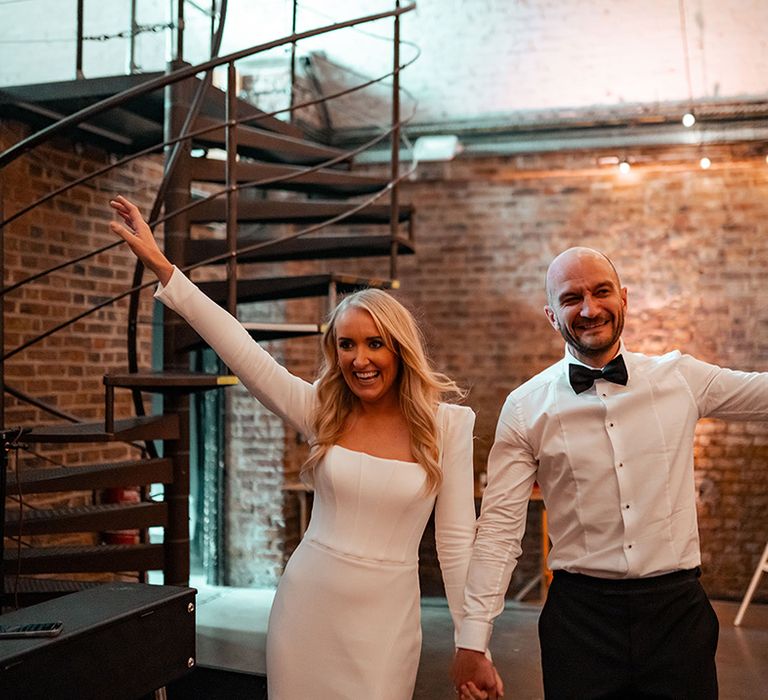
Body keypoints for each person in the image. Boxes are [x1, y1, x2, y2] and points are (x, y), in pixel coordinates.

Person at [109, 195, 494, 699]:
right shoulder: (322, 410)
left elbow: (457, 544)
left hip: (386, 622)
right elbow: (242, 349)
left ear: (400, 349)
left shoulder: (447, 426)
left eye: (375, 343)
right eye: (346, 344)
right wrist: (164, 269)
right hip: (307, 605)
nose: (360, 359)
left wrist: (474, 641)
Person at [451, 246, 768, 699]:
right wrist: (472, 639)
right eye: (571, 298)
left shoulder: (679, 378)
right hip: (580, 624)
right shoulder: (525, 407)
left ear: (623, 298)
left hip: (678, 615)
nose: (589, 308)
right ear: (550, 314)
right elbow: (500, 528)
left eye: (601, 292)